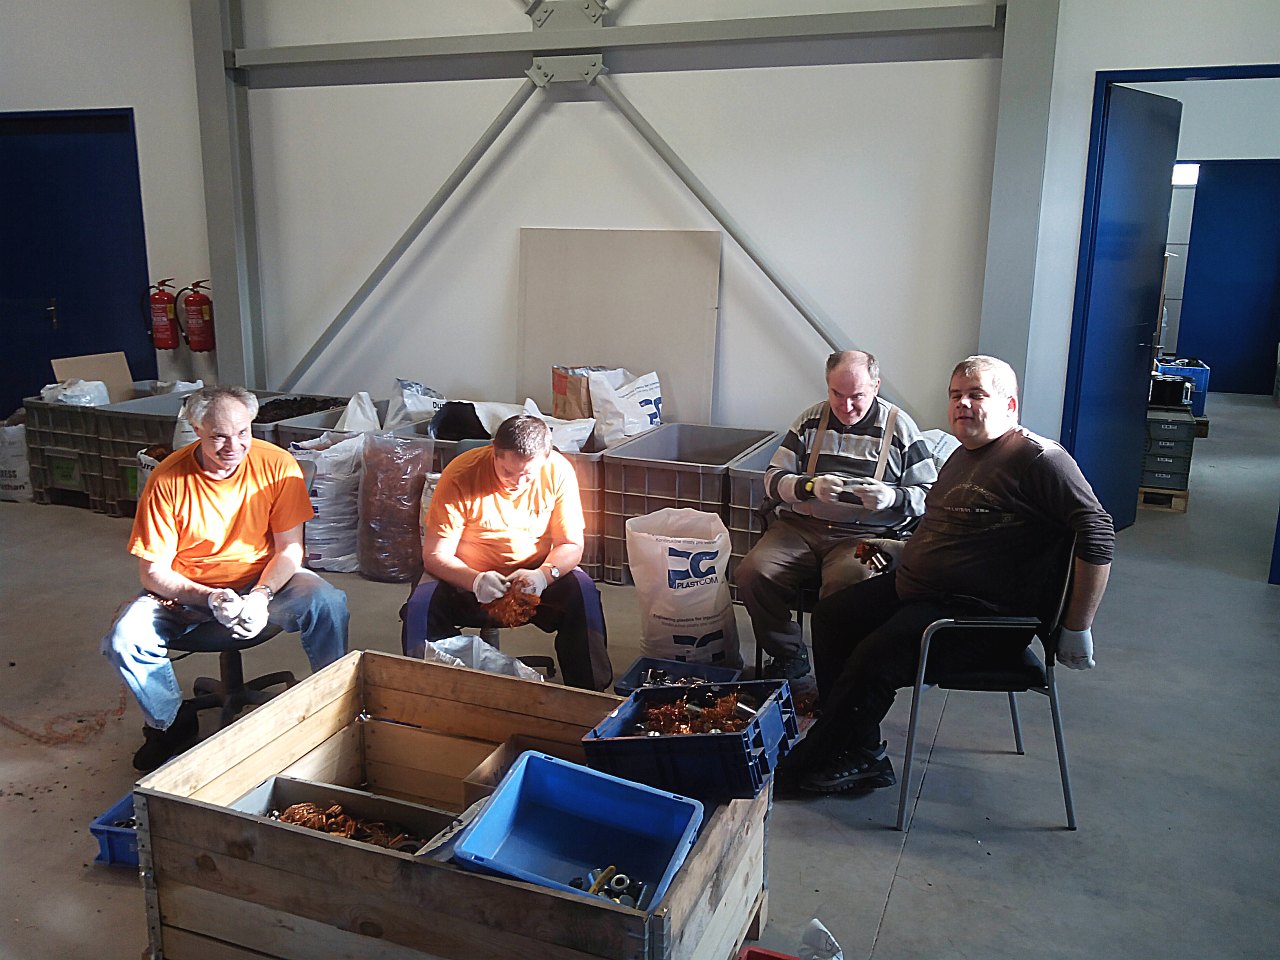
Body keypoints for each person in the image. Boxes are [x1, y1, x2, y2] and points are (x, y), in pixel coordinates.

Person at [781, 355, 1114, 794]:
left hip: (977, 617)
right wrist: (901, 552)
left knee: (873, 659)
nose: (963, 404)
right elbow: (949, 531)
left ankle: (813, 759)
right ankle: (861, 751)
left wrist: (1077, 625)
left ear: (1010, 405)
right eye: (956, 395)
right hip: (925, 593)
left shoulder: (1038, 459)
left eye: (977, 395)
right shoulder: (963, 455)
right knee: (831, 617)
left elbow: (1097, 530)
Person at [102, 385, 350, 772]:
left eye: (242, 433)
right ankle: (170, 724)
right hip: (189, 592)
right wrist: (210, 598)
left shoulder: (277, 465)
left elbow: (289, 550)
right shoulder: (167, 481)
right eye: (219, 436)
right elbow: (153, 572)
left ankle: (335, 701)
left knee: (327, 602)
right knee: (124, 639)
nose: (233, 446)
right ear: (197, 429)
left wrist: (260, 596)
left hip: (264, 582)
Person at [734, 349, 937, 681]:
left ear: (876, 387)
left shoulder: (900, 429)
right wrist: (809, 486)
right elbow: (772, 480)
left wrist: (892, 497)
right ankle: (788, 653)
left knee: (849, 582)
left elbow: (931, 495)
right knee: (751, 573)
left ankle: (840, 669)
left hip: (869, 538)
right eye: (837, 394)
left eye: (857, 396)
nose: (846, 406)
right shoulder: (811, 421)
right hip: (801, 528)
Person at [403, 415, 612, 690]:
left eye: (528, 475)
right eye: (508, 472)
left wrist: (543, 576)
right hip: (466, 576)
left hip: (531, 576)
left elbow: (571, 544)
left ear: (545, 458)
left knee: (583, 594)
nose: (518, 483)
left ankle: (590, 694)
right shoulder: (460, 475)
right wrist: (475, 580)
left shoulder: (558, 471)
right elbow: (435, 555)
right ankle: (429, 692)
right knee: (421, 607)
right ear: (494, 451)